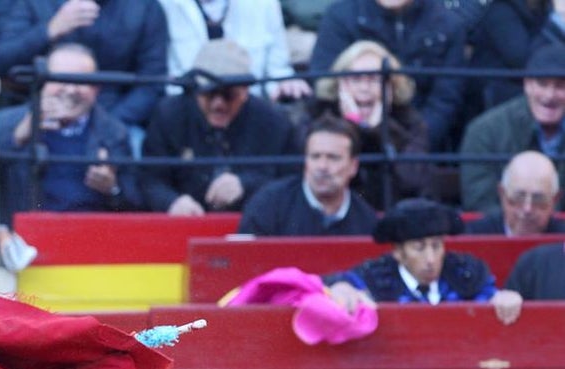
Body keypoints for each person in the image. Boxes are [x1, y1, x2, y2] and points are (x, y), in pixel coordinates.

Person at [0, 42, 140, 268]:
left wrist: (112, 188)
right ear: (42, 84)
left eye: (82, 82)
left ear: (96, 89)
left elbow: (137, 204)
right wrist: (18, 137)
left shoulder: (114, 133)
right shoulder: (4, 123)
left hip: (89, 251)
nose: (70, 90)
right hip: (22, 247)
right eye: (61, 79)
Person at [139, 38, 300, 216]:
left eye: (228, 95)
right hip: (185, 222)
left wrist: (245, 184)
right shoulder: (169, 115)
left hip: (252, 223)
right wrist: (171, 201)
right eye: (208, 93)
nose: (218, 104)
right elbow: (150, 178)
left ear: (245, 92)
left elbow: (291, 180)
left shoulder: (273, 122)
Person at [323, 198, 525, 324]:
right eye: (419, 248)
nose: (430, 259)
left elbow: (491, 298)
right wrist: (340, 288)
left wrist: (502, 299)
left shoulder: (466, 275)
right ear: (398, 252)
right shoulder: (373, 278)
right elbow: (327, 288)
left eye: (436, 246)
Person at [308, 0, 469, 151]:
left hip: (416, 142)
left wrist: (416, 144)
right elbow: (325, 84)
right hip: (344, 141)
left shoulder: (448, 24)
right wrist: (355, 132)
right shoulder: (340, 16)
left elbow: (445, 100)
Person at [0, 0, 169, 133]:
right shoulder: (37, 3)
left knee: (136, 155)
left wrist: (110, 125)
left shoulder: (145, 7)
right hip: (44, 110)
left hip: (115, 115)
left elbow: (152, 82)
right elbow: (2, 60)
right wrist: (50, 29)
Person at [301, 39, 431, 210]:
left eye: (375, 79)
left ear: (391, 86)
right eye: (356, 78)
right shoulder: (316, 116)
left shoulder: (410, 123)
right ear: (340, 83)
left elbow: (411, 180)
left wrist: (380, 130)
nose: (364, 87)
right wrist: (354, 126)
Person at [459, 42, 565, 212]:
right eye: (542, 84)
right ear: (527, 85)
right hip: (507, 235)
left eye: (560, 86)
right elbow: (479, 201)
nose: (549, 95)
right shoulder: (484, 131)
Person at [238, 115, 378, 237]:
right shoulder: (268, 204)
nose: (322, 166)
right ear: (305, 161)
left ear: (353, 166)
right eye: (315, 157)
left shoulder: (366, 219)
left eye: (333, 158)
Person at [156, 0, 312, 101]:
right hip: (187, 108)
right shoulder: (162, 5)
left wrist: (285, 85)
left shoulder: (265, 4)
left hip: (247, 108)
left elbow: (277, 69)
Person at [466, 0, 551, 113]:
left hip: (534, 94)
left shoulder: (544, 9)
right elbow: (523, 61)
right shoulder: (501, 10)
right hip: (493, 103)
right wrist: (556, 21)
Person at [464, 150, 565, 235]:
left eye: (538, 199)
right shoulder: (473, 234)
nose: (527, 209)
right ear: (502, 194)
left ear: (555, 200)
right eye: (519, 197)